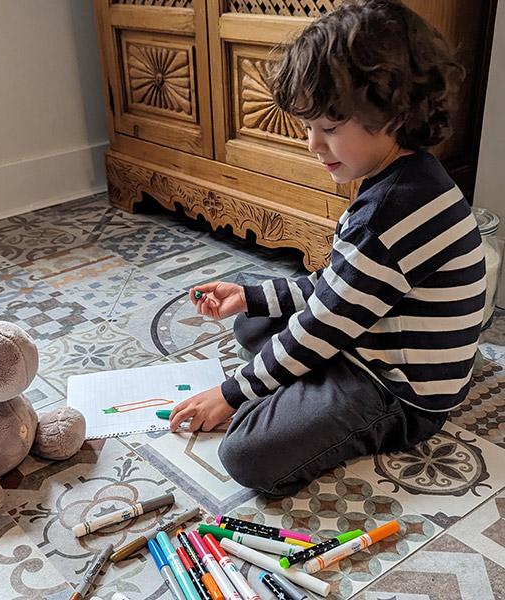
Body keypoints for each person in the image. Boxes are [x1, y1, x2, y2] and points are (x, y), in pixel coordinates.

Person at [169, 0, 486, 496]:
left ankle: (297, 393)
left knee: (246, 454)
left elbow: (325, 324)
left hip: (400, 393)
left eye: (330, 129)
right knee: (253, 320)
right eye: (309, 126)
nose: (313, 145)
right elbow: (337, 287)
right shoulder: (403, 178)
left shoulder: (389, 214)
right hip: (368, 337)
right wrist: (250, 297)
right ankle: (292, 378)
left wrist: (233, 394)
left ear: (392, 110)